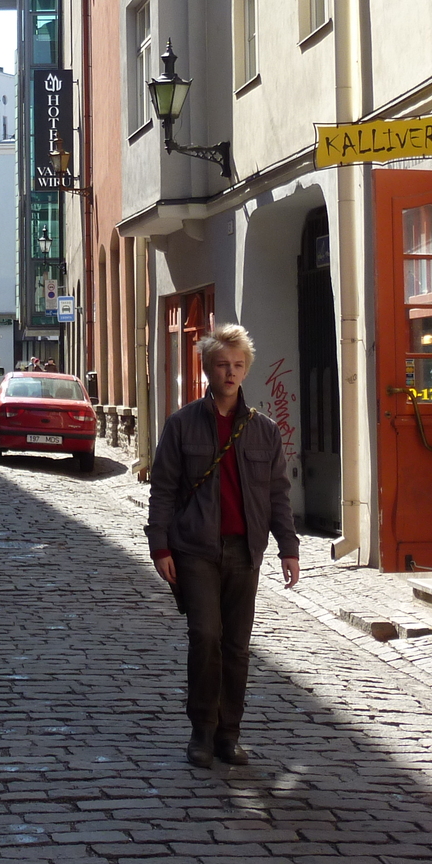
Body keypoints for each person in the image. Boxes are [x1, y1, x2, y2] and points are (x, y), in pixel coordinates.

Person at [145, 323, 299, 770]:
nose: (230, 373)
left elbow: (277, 494)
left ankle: (229, 733)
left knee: (236, 646)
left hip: (245, 550)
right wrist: (160, 547)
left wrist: (288, 547)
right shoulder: (181, 424)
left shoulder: (264, 431)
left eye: (237, 365)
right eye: (221, 365)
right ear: (207, 370)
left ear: (246, 370)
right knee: (204, 636)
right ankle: (201, 730)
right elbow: (164, 488)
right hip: (195, 549)